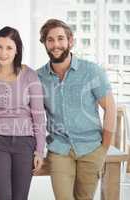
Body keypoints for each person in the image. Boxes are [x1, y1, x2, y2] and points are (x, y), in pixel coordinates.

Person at [37, 19, 116, 200]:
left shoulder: (92, 71)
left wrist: (103, 148)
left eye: (60, 38)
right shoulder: (38, 77)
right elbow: (33, 115)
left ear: (70, 41)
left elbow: (110, 108)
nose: (56, 44)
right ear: (45, 44)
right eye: (50, 40)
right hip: (59, 149)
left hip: (91, 148)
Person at [0, 26, 46, 200]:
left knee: (20, 197)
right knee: (2, 197)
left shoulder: (30, 75)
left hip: (25, 141)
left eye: (9, 48)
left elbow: (38, 116)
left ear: (17, 50)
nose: (3, 53)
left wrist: (39, 150)